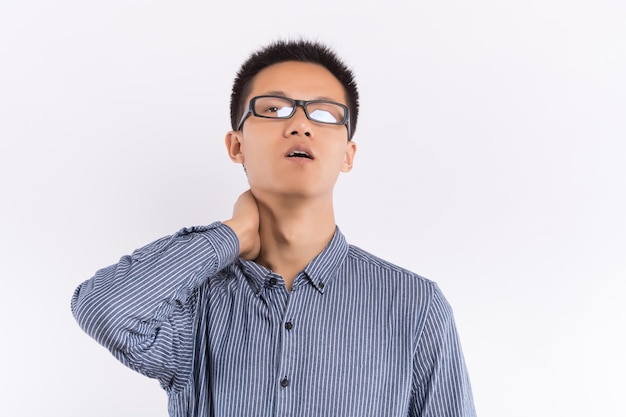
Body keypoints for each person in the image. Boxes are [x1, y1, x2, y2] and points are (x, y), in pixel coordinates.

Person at [71, 38, 476, 417]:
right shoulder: (194, 305)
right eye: (274, 109)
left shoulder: (414, 307)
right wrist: (230, 234)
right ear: (237, 146)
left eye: (323, 113)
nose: (300, 125)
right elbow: (104, 308)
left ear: (348, 154)